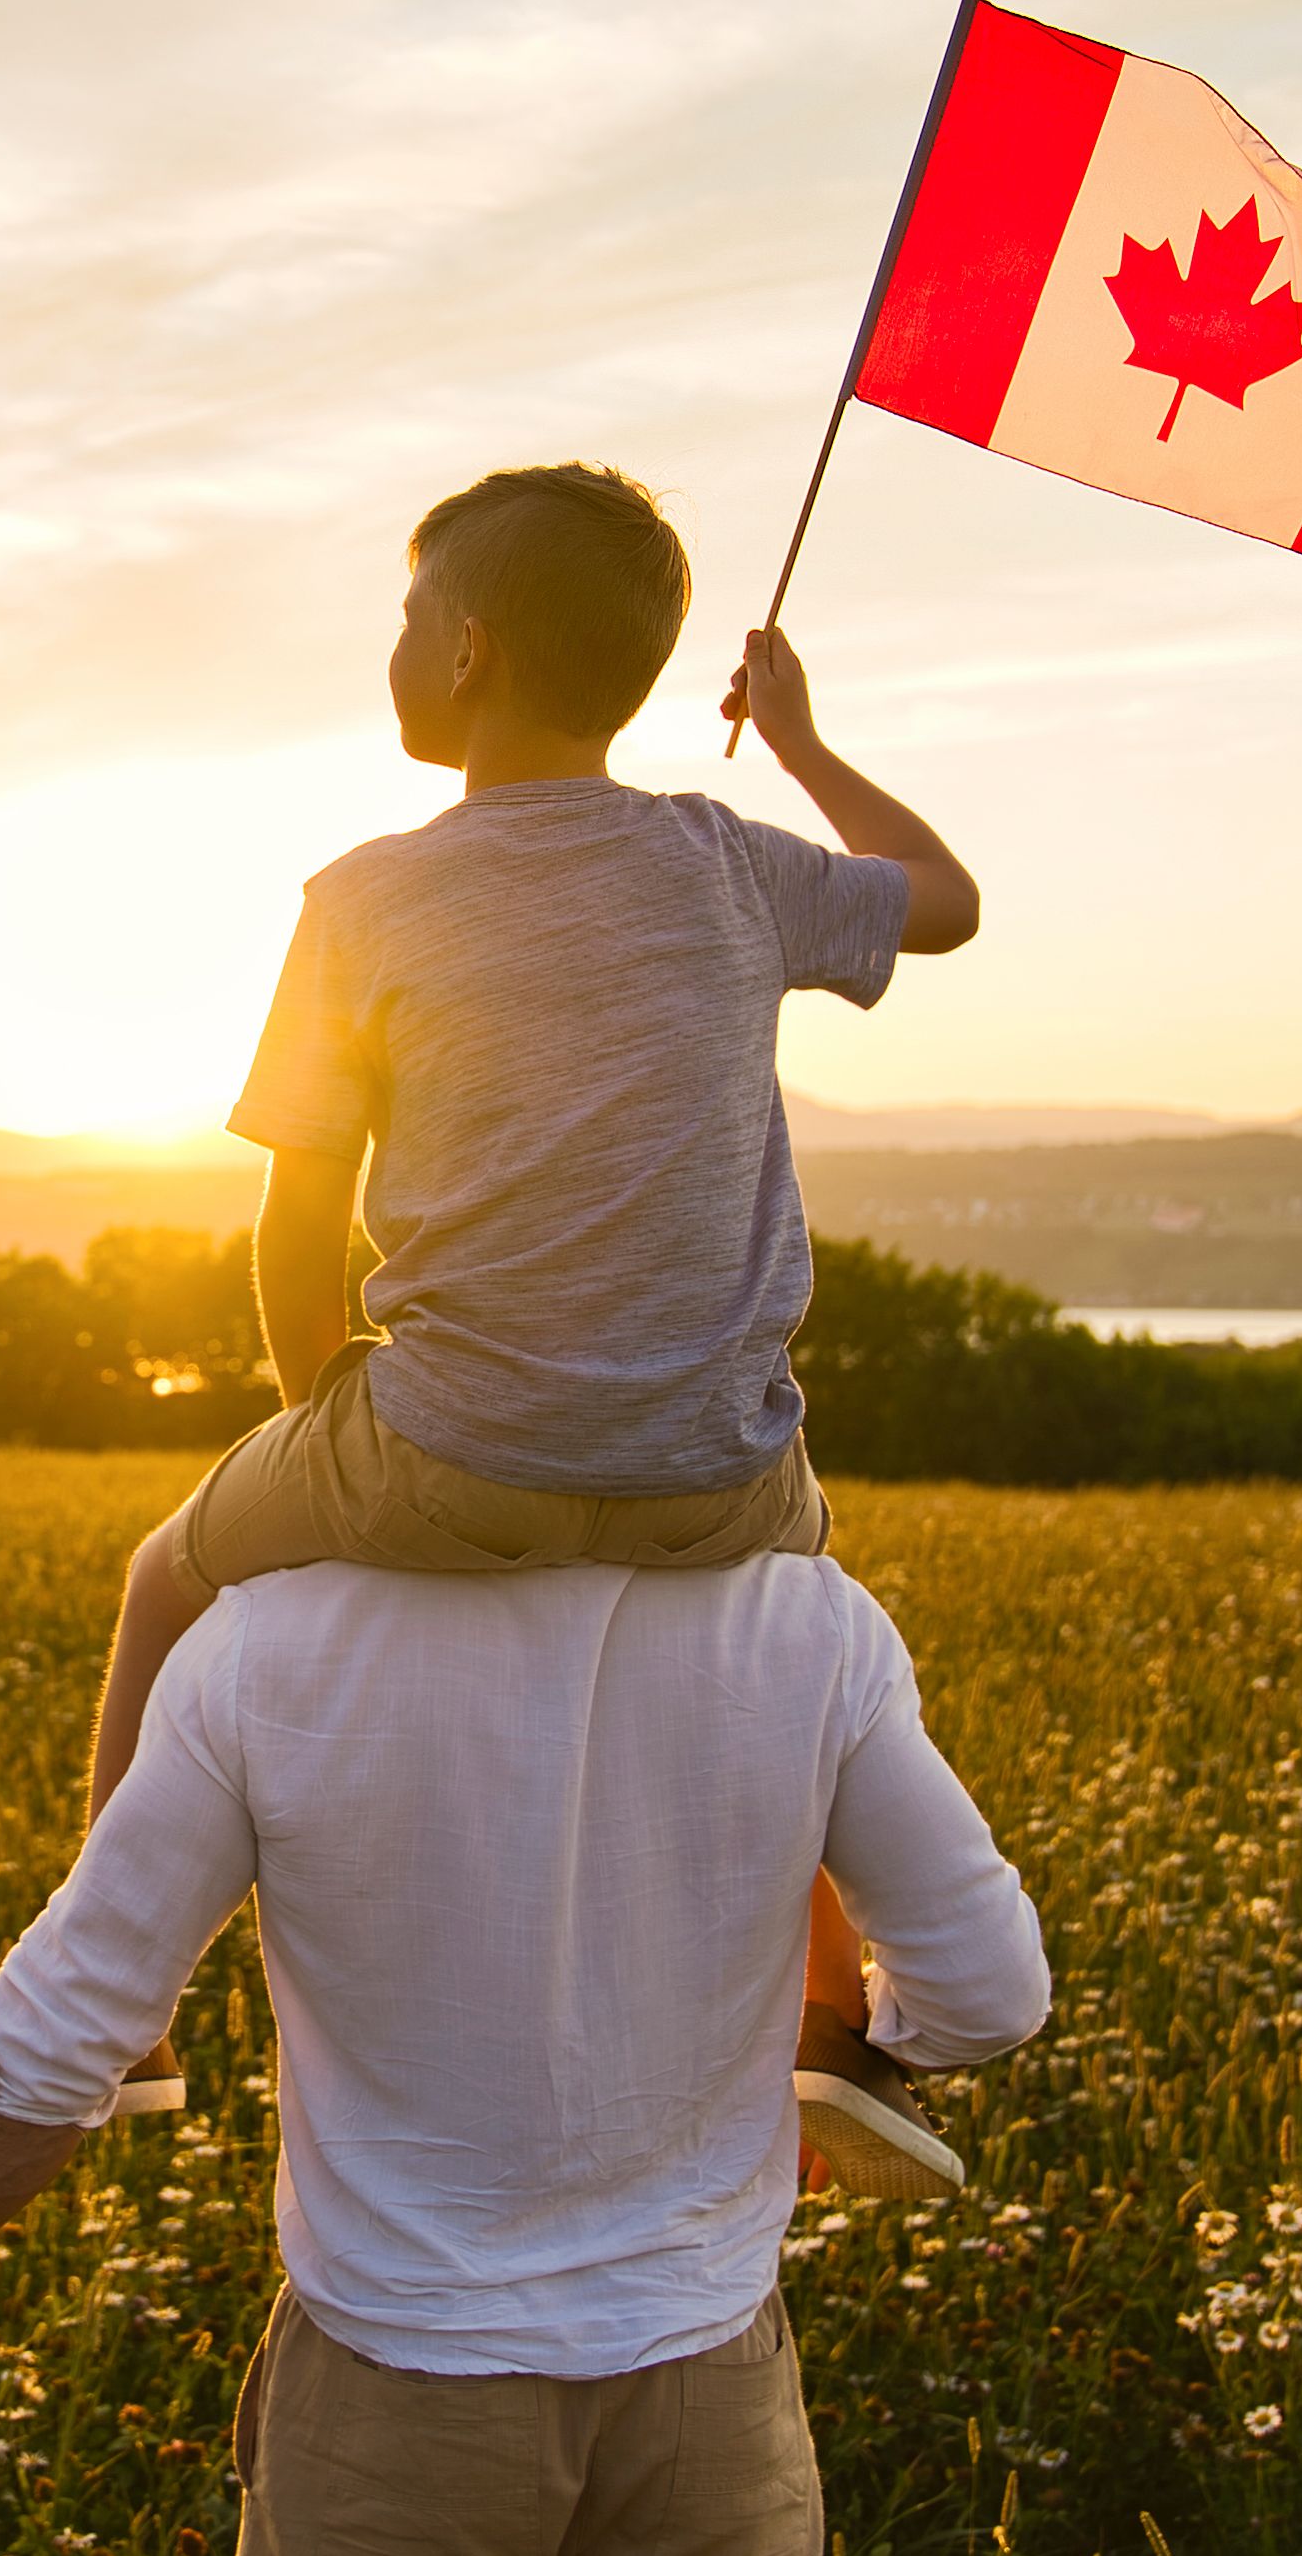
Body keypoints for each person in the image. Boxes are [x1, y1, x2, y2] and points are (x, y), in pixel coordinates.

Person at [76, 463, 986, 2184]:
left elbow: (300, 1213)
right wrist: (792, 737)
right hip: (720, 1474)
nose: (398, 643)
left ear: (472, 645)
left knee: (161, 1582)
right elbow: (941, 898)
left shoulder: (360, 897)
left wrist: (316, 1435)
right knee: (785, 1624)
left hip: (450, 1458)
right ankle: (835, 2016)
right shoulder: (730, 861)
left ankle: (123, 2013)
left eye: (410, 612)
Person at [0, 1547, 1046, 2556]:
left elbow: (51, 2034)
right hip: (704, 2389)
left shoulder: (273, 1638)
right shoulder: (807, 1618)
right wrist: (847, 2039)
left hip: (393, 2403)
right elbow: (985, 1990)